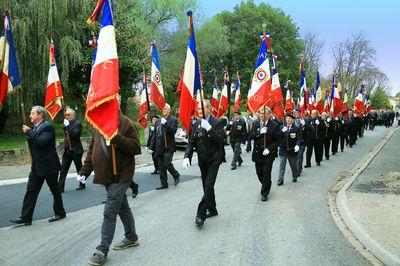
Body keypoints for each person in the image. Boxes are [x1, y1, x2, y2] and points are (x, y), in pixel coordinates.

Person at [78, 98, 141, 266]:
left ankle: (102, 249)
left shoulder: (126, 124)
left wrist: (117, 137)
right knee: (123, 208)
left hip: (122, 176)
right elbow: (93, 151)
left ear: (116, 104)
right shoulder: (99, 125)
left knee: (110, 211)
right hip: (107, 176)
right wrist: (84, 172)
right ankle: (132, 237)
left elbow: (135, 148)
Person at [10, 106, 66, 226]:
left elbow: (41, 141)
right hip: (37, 166)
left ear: (40, 115)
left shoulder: (48, 126)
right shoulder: (35, 127)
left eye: (32, 113)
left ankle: (60, 212)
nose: (30, 116)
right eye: (30, 113)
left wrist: (29, 132)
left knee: (55, 191)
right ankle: (26, 217)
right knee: (31, 191)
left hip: (49, 165)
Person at [182, 100, 226, 228]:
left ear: (209, 109)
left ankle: (200, 215)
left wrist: (210, 129)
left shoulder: (217, 122)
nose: (199, 111)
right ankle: (212, 209)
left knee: (208, 185)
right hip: (202, 159)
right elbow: (191, 142)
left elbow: (221, 140)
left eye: (202, 109)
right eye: (198, 109)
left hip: (214, 159)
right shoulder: (195, 123)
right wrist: (186, 157)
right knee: (206, 185)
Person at [249, 106, 280, 201]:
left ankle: (264, 193)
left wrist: (269, 149)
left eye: (264, 114)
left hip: (268, 154)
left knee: (266, 173)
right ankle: (267, 184)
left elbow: (277, 141)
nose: (262, 115)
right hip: (258, 153)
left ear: (269, 115)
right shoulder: (255, 123)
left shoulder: (274, 125)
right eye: (261, 113)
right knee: (259, 173)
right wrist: (259, 133)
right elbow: (250, 136)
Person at [149, 104, 180, 190]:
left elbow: (173, 131)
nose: (164, 110)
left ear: (169, 110)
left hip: (169, 147)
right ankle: (164, 183)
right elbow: (155, 135)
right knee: (161, 166)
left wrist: (166, 124)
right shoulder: (158, 121)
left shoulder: (173, 120)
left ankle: (176, 175)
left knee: (167, 163)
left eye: (165, 109)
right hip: (159, 147)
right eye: (163, 109)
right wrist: (151, 147)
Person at [58, 107, 84, 193]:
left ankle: (82, 183)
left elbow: (75, 134)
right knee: (63, 169)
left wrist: (68, 126)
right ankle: (60, 188)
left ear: (73, 115)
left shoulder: (78, 124)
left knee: (79, 169)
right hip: (67, 150)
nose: (66, 116)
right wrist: (66, 126)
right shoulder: (66, 124)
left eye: (68, 114)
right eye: (65, 114)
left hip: (76, 150)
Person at [277, 114, 301, 186]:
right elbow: (278, 137)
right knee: (282, 165)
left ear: (293, 120)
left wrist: (297, 145)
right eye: (287, 118)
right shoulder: (281, 127)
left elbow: (298, 138)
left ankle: (294, 176)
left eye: (289, 118)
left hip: (292, 150)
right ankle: (280, 179)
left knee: (293, 165)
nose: (288, 120)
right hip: (283, 150)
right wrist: (281, 132)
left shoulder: (296, 128)